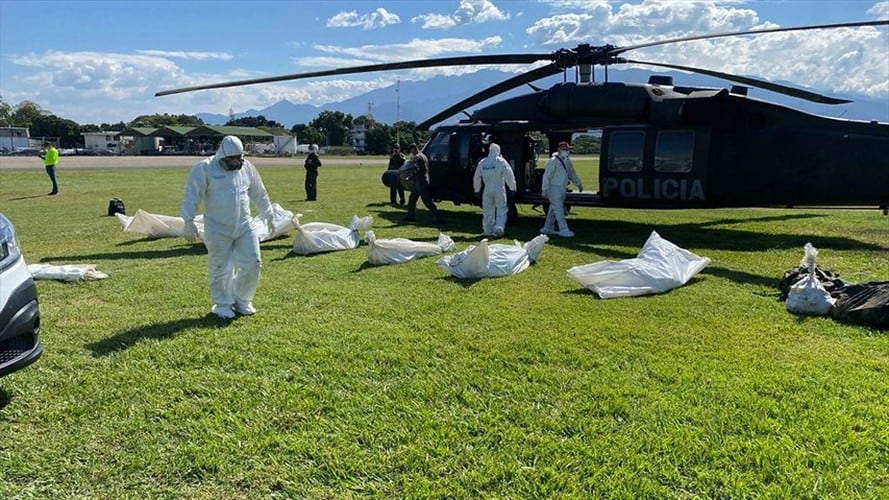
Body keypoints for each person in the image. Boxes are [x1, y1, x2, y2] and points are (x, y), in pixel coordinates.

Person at [181, 135, 275, 319]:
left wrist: (268, 213)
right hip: (217, 228)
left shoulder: (246, 167)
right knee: (220, 267)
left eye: (239, 157)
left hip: (245, 225)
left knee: (254, 262)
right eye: (232, 158)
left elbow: (259, 191)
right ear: (222, 155)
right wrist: (188, 220)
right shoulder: (205, 168)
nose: (237, 162)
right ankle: (222, 303)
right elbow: (191, 194)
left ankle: (242, 299)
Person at [473, 142, 516, 237]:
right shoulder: (501, 161)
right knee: (501, 208)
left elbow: (476, 177)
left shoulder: (483, 162)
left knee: (487, 210)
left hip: (487, 189)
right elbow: (509, 174)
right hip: (499, 188)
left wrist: (477, 189)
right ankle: (499, 227)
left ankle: (487, 230)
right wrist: (513, 187)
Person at [541, 141, 583, 237]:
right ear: (558, 150)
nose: (565, 151)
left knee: (553, 210)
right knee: (559, 209)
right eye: (563, 149)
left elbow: (571, 173)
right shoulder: (553, 161)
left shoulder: (567, 161)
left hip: (562, 188)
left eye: (567, 149)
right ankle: (564, 229)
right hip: (553, 188)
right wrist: (544, 189)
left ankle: (547, 228)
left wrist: (578, 184)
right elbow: (547, 176)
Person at [404, 143, 444, 224]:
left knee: (427, 202)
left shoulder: (417, 157)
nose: (411, 152)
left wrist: (410, 177)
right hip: (423, 181)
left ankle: (439, 217)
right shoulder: (424, 156)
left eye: (411, 150)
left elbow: (417, 169)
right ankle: (410, 215)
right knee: (412, 199)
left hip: (420, 182)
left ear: (414, 149)